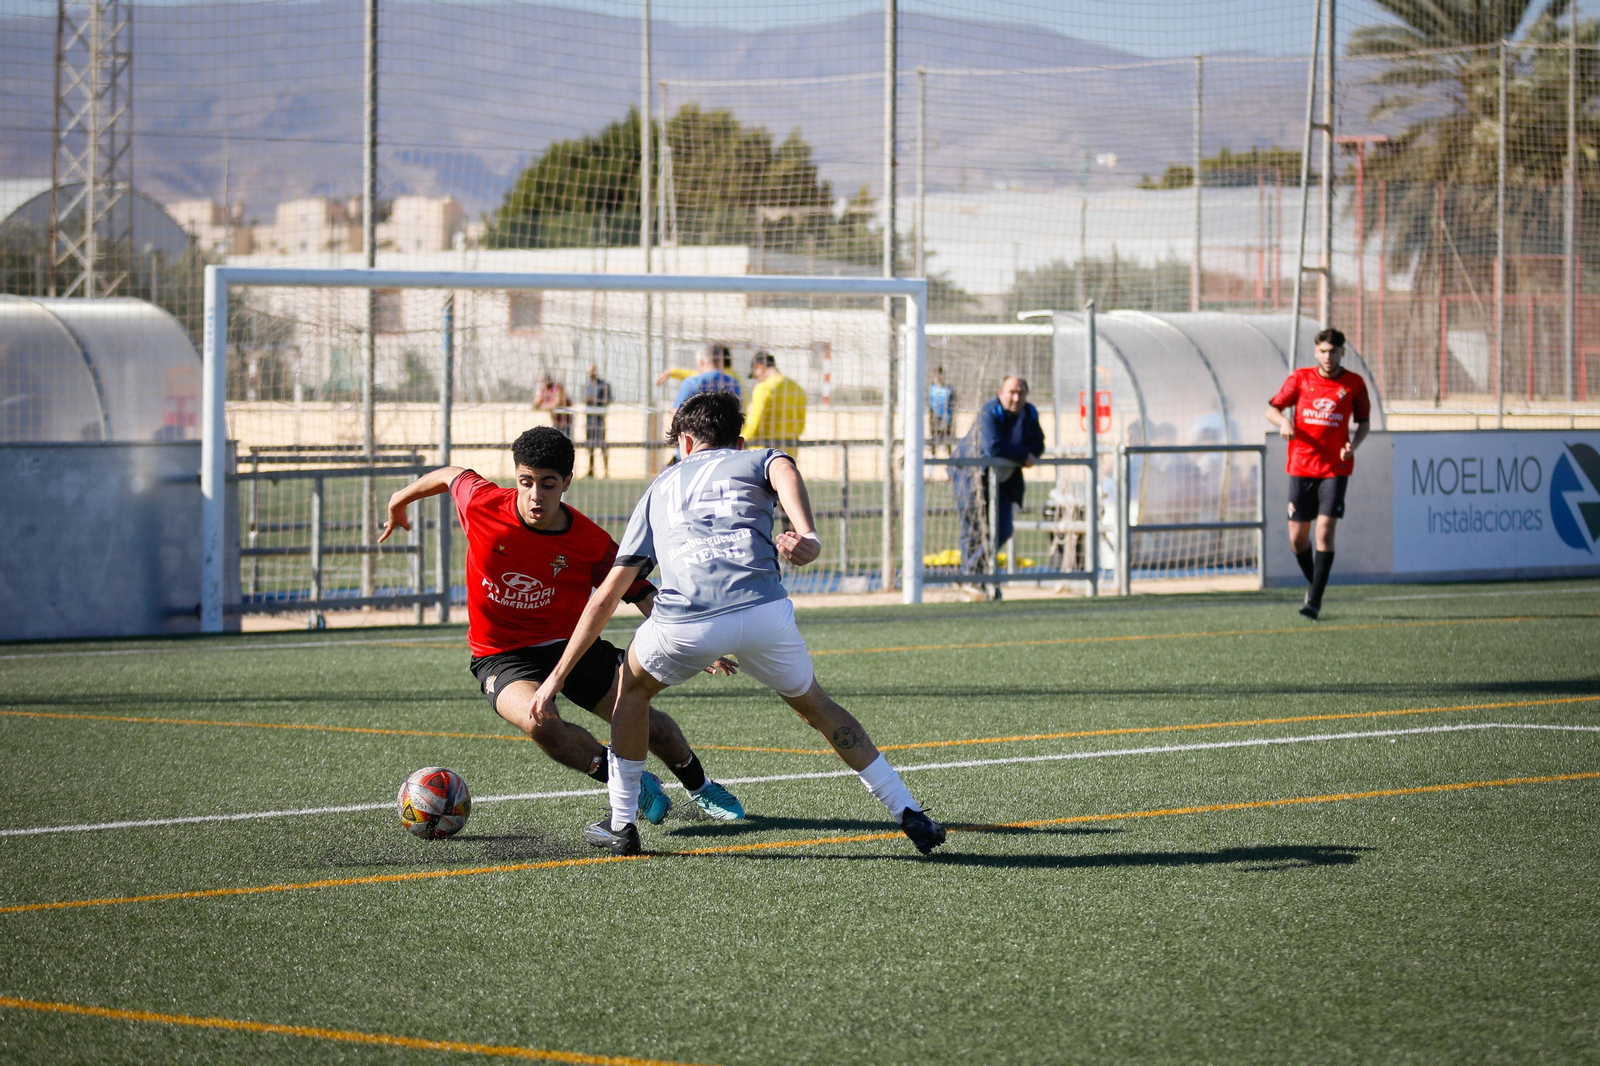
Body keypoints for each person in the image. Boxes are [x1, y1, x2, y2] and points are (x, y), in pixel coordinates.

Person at [531, 391, 945, 857]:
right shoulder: (757, 459)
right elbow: (782, 466)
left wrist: (555, 680)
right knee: (817, 705)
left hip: (687, 622)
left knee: (631, 692)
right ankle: (907, 809)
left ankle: (621, 824)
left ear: (685, 442)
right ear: (740, 439)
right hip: (764, 614)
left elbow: (607, 595)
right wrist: (807, 535)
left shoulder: (660, 487)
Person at [376, 426, 746, 825]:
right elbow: (451, 475)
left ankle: (700, 785)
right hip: (501, 655)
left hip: (571, 647)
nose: (536, 495)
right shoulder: (483, 505)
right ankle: (626, 781)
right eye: (526, 482)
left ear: (567, 481)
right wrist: (400, 499)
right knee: (539, 722)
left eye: (548, 484)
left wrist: (689, 638)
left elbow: (640, 592)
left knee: (643, 719)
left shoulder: (589, 540)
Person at [1265, 327, 1371, 620]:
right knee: (1298, 539)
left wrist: (1354, 445)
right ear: (1316, 352)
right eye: (1323, 351)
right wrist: (1283, 422)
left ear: (1342, 353)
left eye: (1333, 351)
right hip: (1301, 467)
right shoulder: (1300, 379)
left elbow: (1364, 423)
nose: (1328, 356)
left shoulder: (1354, 384)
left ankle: (1314, 601)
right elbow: (1272, 409)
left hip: (1335, 470)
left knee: (1324, 531)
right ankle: (1315, 584)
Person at [951, 375, 1046, 595]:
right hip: (970, 475)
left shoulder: (1029, 413)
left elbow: (1038, 444)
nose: (1016, 397)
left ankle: (976, 574)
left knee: (1003, 529)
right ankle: (973, 579)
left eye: (1020, 392)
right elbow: (992, 447)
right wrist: (1023, 454)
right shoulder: (989, 412)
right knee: (972, 529)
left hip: (1002, 480)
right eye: (1011, 392)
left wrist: (1027, 453)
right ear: (1000, 393)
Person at [742, 350, 806, 453]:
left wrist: (739, 442)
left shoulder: (763, 388)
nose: (757, 379)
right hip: (790, 451)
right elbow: (801, 425)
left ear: (760, 367)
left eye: (755, 375)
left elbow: (755, 425)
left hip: (765, 454)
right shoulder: (797, 388)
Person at [659, 343, 742, 406]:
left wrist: (672, 372)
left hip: (696, 427)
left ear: (701, 361)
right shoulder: (734, 383)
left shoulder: (691, 383)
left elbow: (677, 412)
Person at [581, 364, 612, 478]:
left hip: (599, 420)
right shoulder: (587, 385)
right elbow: (584, 399)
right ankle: (591, 470)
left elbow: (607, 399)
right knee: (590, 446)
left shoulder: (603, 385)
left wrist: (595, 400)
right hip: (589, 419)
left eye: (592, 371)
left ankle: (606, 471)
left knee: (602, 444)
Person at [928, 365, 956, 454]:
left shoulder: (948, 389)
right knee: (934, 438)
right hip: (935, 416)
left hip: (946, 417)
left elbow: (953, 402)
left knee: (947, 439)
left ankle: (949, 456)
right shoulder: (932, 389)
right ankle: (932, 457)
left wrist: (949, 415)